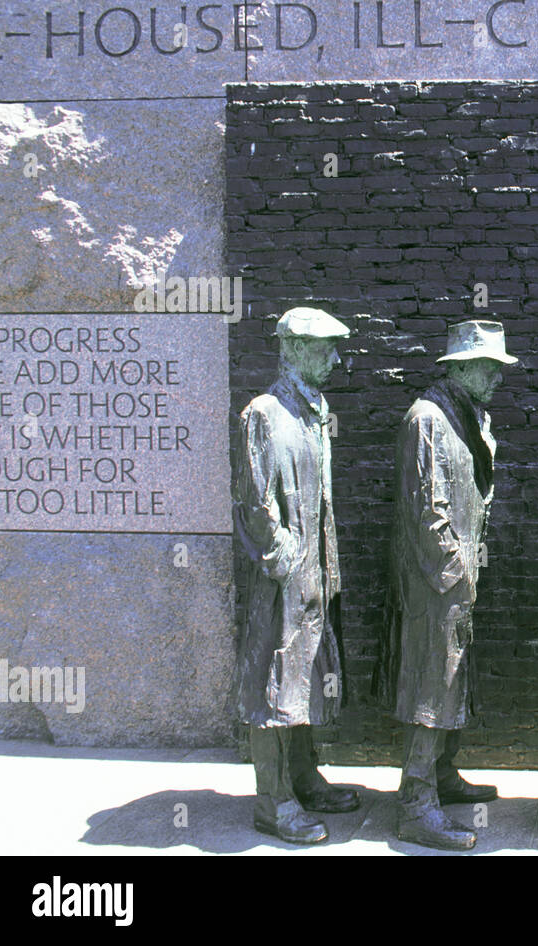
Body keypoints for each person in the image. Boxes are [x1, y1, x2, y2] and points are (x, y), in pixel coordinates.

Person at [373, 320, 518, 851]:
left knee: (454, 677)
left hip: (456, 582)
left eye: (499, 367)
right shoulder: (427, 418)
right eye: (488, 366)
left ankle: (442, 772)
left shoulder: (466, 414)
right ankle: (415, 803)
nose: (497, 376)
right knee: (431, 685)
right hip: (435, 585)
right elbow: (427, 513)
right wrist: (457, 575)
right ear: (458, 367)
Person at [233, 306, 360, 845]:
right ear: (291, 349)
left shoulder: (313, 410)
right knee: (273, 677)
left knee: (305, 673)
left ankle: (304, 778)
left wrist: (322, 569)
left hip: (313, 573)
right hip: (280, 579)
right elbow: (254, 504)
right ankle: (273, 799)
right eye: (324, 348)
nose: (335, 358)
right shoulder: (263, 413)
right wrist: (289, 563)